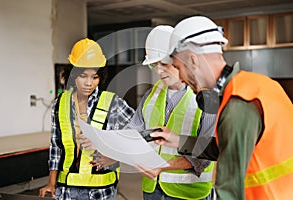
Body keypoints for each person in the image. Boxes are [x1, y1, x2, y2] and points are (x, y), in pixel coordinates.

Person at [150, 16, 293, 199]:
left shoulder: (238, 105)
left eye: (179, 67)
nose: (182, 78)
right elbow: (229, 146)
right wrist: (179, 140)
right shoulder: (259, 85)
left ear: (193, 60)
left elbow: (229, 192)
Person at [124, 25, 216, 200]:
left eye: (164, 64)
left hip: (189, 193)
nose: (159, 71)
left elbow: (207, 152)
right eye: (154, 66)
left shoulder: (207, 97)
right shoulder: (152, 94)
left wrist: (162, 166)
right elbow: (133, 133)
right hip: (152, 190)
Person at [39, 38, 135, 200]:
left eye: (95, 77)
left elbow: (137, 134)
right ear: (73, 74)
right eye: (83, 76)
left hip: (100, 190)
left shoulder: (113, 103)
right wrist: (51, 182)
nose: (89, 83)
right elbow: (56, 146)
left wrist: (115, 156)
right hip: (66, 189)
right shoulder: (60, 103)